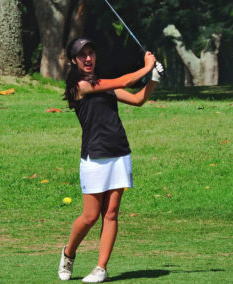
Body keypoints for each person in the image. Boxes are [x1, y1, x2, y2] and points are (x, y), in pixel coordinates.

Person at [58, 37, 163, 283]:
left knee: (112, 213)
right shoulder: (79, 86)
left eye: (91, 53)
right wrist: (147, 66)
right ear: (74, 61)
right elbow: (125, 80)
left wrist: (154, 79)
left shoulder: (105, 85)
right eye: (82, 55)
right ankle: (68, 252)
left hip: (119, 152)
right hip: (94, 156)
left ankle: (101, 268)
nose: (88, 58)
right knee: (90, 216)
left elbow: (138, 100)